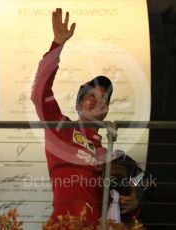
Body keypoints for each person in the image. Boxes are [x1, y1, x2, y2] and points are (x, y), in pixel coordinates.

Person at [31, 8, 139, 227]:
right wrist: (57, 45)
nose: (98, 102)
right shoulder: (61, 128)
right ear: (78, 104)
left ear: (107, 110)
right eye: (91, 96)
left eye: (104, 99)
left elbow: (122, 201)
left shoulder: (109, 154)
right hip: (63, 224)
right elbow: (39, 93)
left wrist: (133, 201)